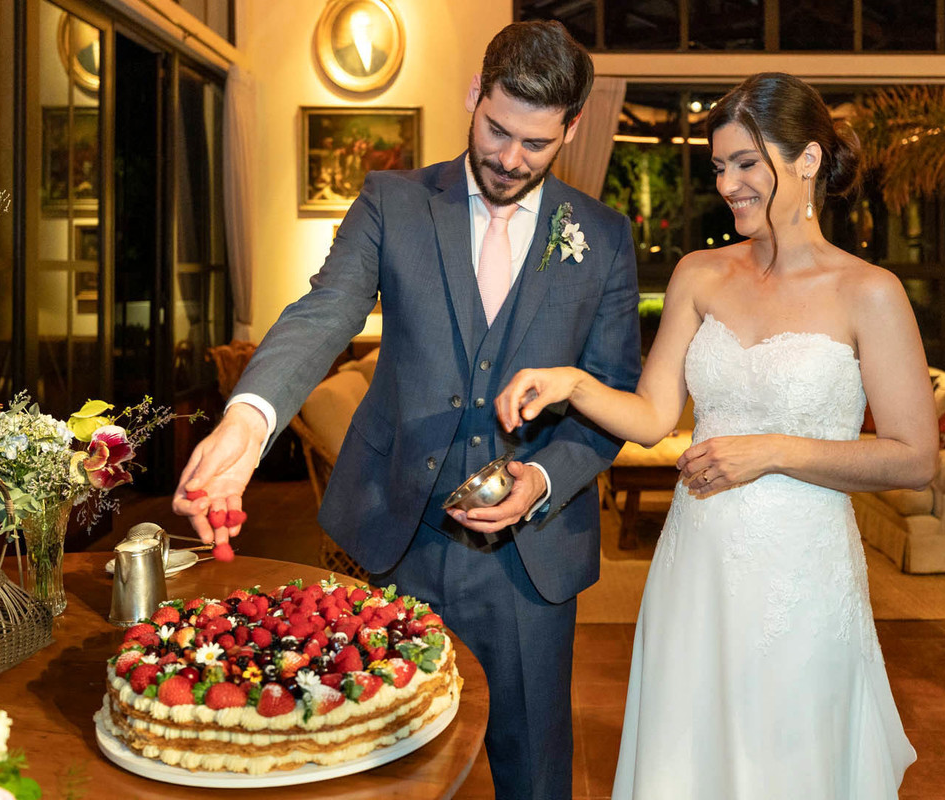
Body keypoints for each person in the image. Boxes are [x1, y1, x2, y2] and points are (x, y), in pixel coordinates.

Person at [173, 21, 642, 800]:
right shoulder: (392, 201)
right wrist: (249, 419)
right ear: (473, 94)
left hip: (530, 564)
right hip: (393, 540)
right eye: (497, 129)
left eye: (536, 144)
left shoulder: (603, 236)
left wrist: (544, 477)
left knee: (532, 771)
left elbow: (609, 393)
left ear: (572, 128)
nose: (509, 159)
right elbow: (326, 311)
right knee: (382, 768)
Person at [495, 72, 937, 798]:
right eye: (720, 167)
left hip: (804, 577)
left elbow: (916, 457)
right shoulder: (700, 274)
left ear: (808, 160)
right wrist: (573, 382)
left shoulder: (870, 292)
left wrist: (772, 451)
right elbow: (653, 416)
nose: (729, 184)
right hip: (696, 567)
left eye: (745, 164)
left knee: (790, 761)